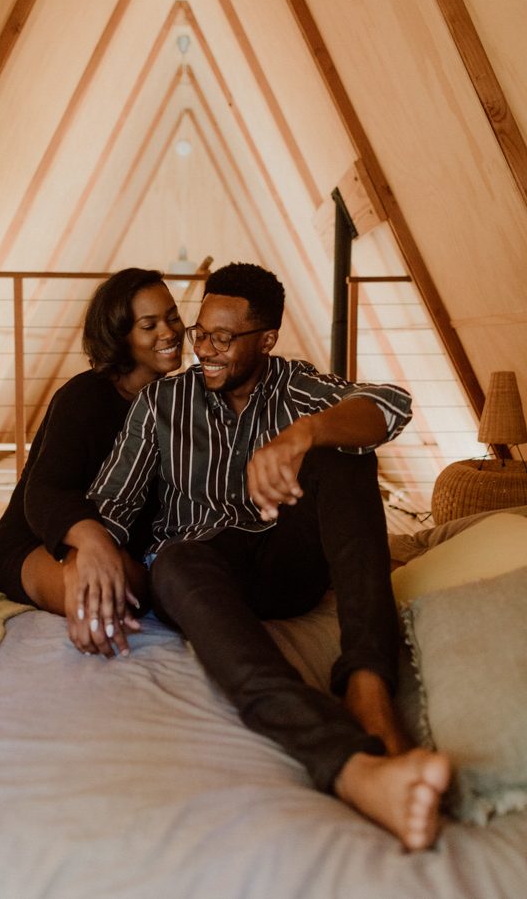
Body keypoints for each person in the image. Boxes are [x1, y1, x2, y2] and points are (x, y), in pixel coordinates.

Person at [86, 262, 451, 850]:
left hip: (287, 562)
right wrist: (84, 559)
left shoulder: (296, 385)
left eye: (223, 339)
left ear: (267, 340)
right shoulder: (161, 402)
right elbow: (112, 507)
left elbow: (392, 405)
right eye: (200, 331)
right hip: (203, 568)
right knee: (172, 561)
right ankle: (350, 764)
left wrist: (304, 433)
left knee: (346, 452)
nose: (202, 347)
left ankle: (367, 686)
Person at [0, 267, 184, 655]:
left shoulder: (179, 400)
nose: (169, 332)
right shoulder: (83, 396)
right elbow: (43, 493)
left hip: (120, 544)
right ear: (121, 337)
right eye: (149, 325)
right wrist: (91, 545)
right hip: (37, 538)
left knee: (130, 588)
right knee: (98, 587)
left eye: (172, 316)